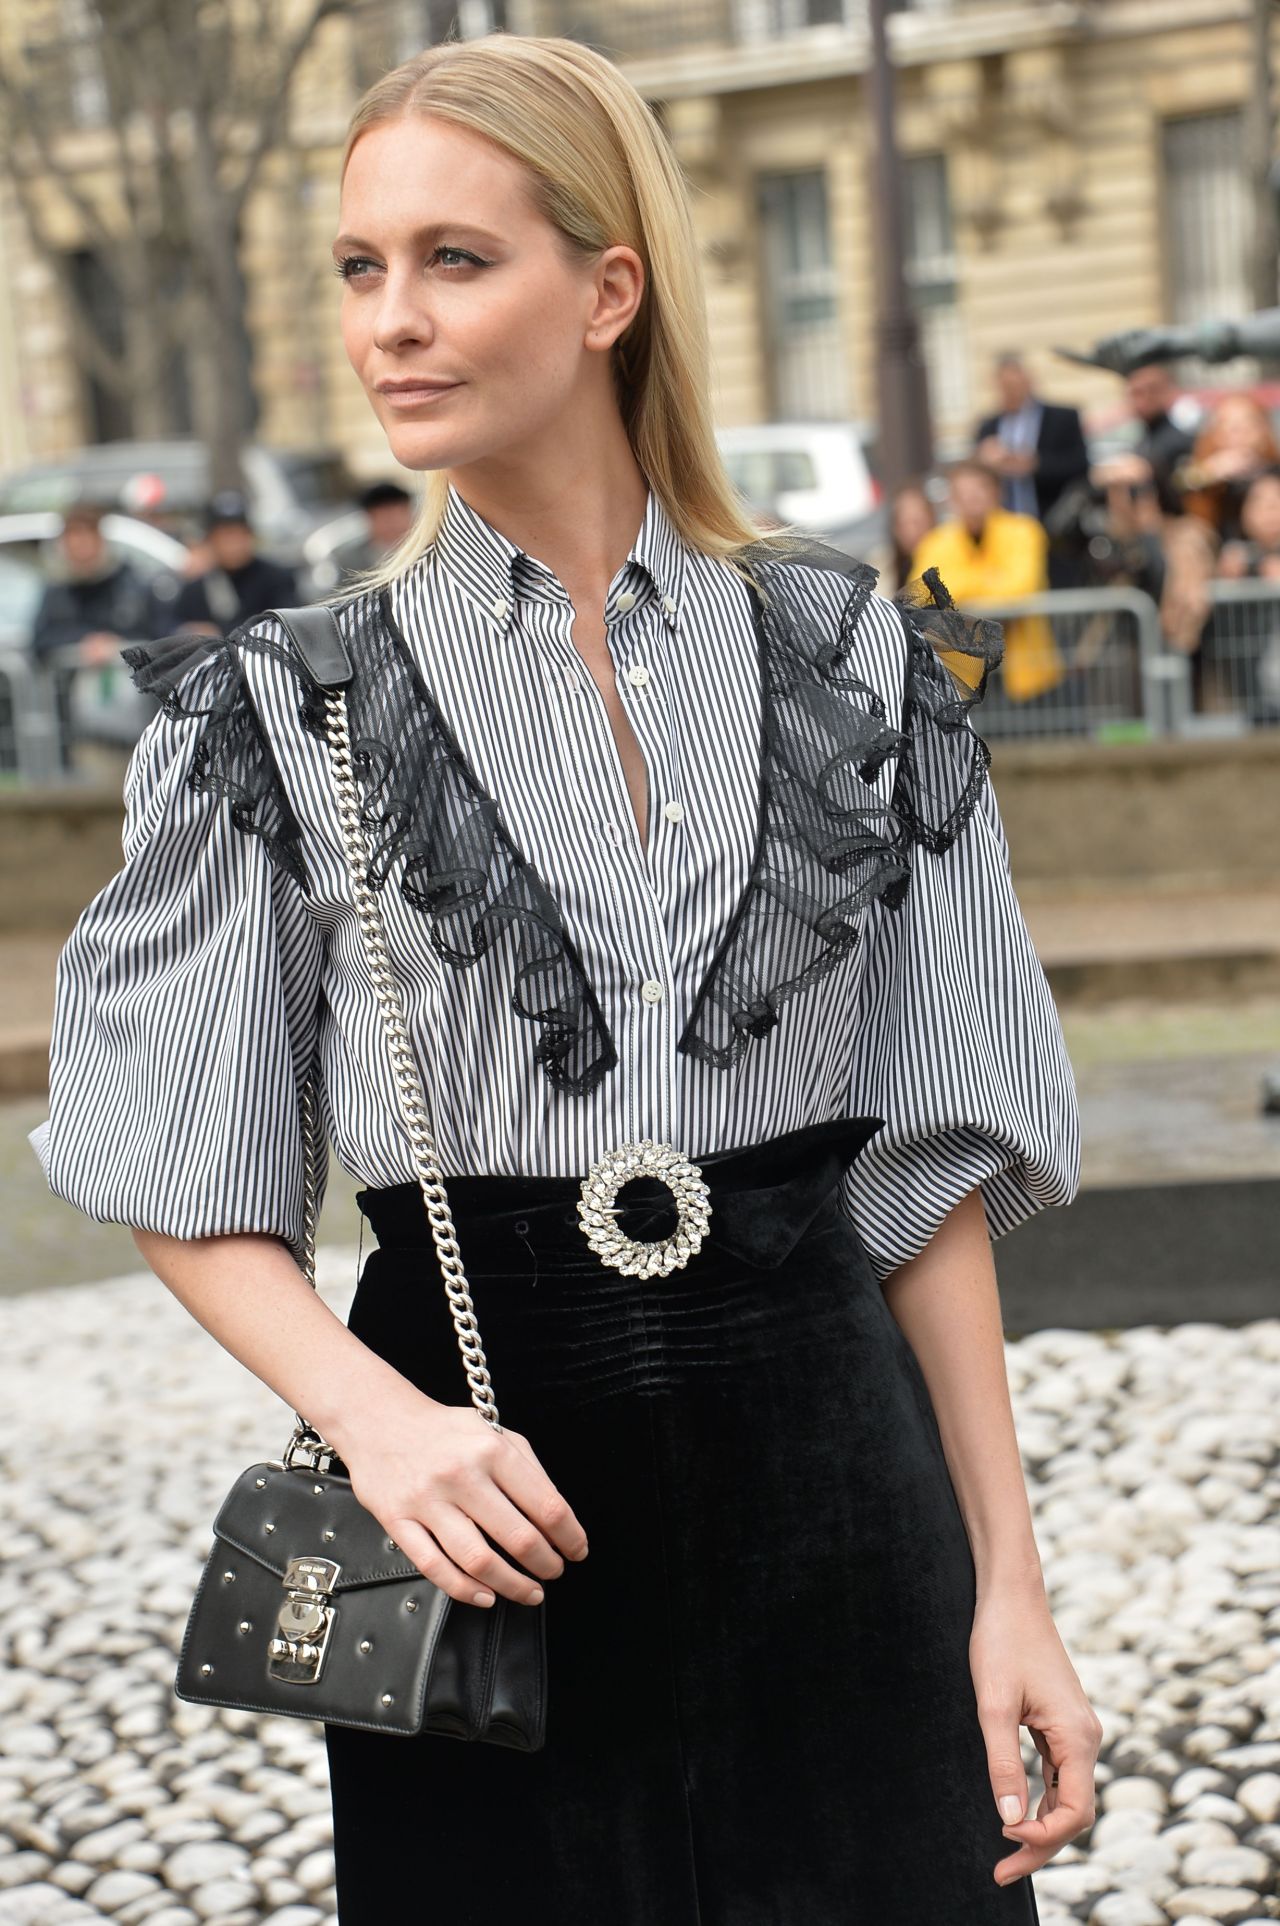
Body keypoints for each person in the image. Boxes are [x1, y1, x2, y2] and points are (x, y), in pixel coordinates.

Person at [30, 32, 1098, 1925]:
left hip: (834, 1468)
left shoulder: (843, 646)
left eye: (455, 259)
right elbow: (185, 1179)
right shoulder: (287, 705)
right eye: (362, 268)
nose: (391, 323)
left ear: (609, 289)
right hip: (480, 1490)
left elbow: (926, 1181)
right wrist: (382, 1421)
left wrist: (1008, 1580)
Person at [911, 459, 1066, 703]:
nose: (970, 499)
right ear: (951, 497)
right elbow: (922, 595)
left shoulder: (1025, 531)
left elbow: (1021, 588)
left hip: (1026, 672)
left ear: (996, 492)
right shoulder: (935, 542)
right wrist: (992, 577)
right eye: (962, 492)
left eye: (978, 490)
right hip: (963, 677)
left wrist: (960, 589)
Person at [29, 500, 159, 773]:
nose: (80, 548)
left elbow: (157, 632)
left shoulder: (131, 584)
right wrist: (82, 644)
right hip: (80, 729)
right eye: (73, 540)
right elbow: (40, 641)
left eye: (86, 538)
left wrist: (115, 645)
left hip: (142, 723)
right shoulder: (56, 590)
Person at [974, 351, 1089, 529]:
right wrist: (985, 463)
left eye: (1015, 384)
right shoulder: (988, 428)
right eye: (1006, 386)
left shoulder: (1062, 418)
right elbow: (974, 479)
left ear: (1028, 380)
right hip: (1005, 529)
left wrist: (1034, 464)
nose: (1011, 391)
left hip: (1054, 522)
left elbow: (1081, 465)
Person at [166, 489, 299, 634]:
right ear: (210, 540)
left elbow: (288, 627)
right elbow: (171, 627)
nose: (233, 544)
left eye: (240, 533)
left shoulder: (276, 579)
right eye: (225, 535)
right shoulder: (198, 587)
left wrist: (218, 632)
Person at [887, 476, 936, 592]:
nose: (911, 531)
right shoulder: (884, 569)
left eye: (917, 522)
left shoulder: (952, 556)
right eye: (904, 524)